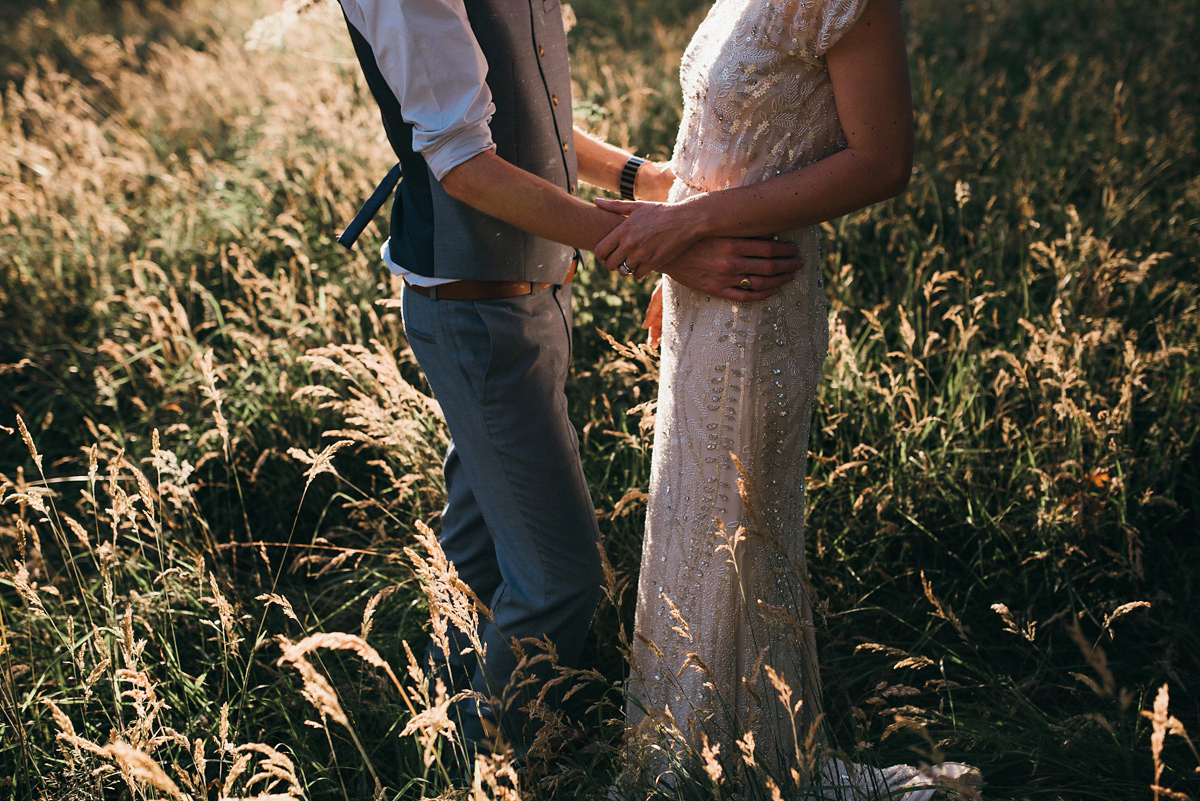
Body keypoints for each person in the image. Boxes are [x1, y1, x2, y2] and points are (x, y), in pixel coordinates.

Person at [332, 0, 803, 779]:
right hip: (474, 314)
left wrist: (647, 184)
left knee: (479, 546)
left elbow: (524, 118)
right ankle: (491, 771)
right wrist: (649, 246)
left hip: (528, 295)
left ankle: (443, 722)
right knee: (559, 578)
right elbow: (463, 161)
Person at [591, 0, 983, 797]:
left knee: (735, 533)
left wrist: (688, 224)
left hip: (758, 302)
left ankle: (736, 772)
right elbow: (717, 134)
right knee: (691, 524)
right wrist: (677, 240)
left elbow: (881, 160)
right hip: (706, 283)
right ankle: (690, 759)